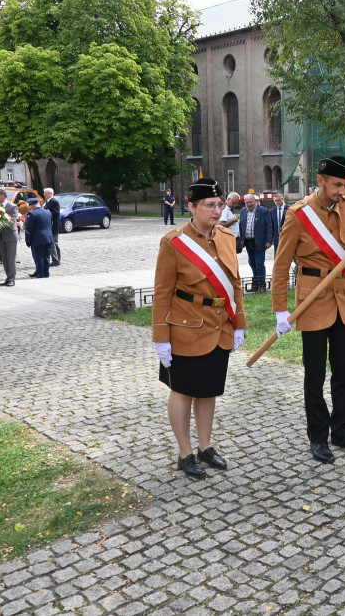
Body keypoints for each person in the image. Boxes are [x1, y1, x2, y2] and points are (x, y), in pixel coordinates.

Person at [272, 156, 345, 464]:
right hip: (312, 301)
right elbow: (280, 266)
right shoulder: (298, 215)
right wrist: (281, 309)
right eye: (336, 185)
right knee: (315, 375)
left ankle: (342, 431)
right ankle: (318, 436)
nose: (341, 191)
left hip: (344, 300)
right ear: (320, 181)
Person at [152, 178, 246, 480]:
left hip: (219, 327)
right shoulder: (173, 242)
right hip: (186, 329)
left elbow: (235, 284)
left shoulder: (227, 238)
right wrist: (160, 337)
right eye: (209, 205)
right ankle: (185, 453)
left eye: (220, 205)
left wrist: (240, 323)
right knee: (182, 392)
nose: (217, 210)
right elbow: (162, 292)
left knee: (208, 392)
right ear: (191, 206)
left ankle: (205, 447)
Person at [238, 194, 273, 291]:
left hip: (260, 242)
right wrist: (240, 240)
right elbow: (241, 225)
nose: (249, 204)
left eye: (250, 202)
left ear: (255, 201)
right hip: (248, 242)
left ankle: (262, 286)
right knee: (252, 263)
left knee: (259, 264)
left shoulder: (264, 211)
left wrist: (269, 240)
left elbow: (269, 226)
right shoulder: (243, 211)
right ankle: (255, 285)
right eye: (247, 202)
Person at [0, 188, 19, 287]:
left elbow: (12, 221)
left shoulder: (12, 206)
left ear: (3, 196)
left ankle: (12, 278)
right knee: (4, 259)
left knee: (11, 258)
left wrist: (0, 219)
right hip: (1, 236)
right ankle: (8, 276)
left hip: (10, 236)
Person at [24, 197, 54, 278]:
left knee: (39, 258)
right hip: (48, 238)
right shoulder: (48, 212)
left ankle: (40, 275)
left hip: (37, 239)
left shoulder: (32, 214)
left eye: (29, 206)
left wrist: (27, 240)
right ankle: (46, 274)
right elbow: (50, 223)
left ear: (32, 206)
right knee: (47, 257)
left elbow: (29, 229)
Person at [43, 188, 61, 266]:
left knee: (53, 243)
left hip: (53, 226)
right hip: (50, 225)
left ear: (50, 193)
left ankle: (55, 259)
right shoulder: (47, 202)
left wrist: (46, 212)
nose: (44, 195)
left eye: (46, 193)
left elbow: (56, 213)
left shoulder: (54, 201)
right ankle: (57, 258)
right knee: (54, 243)